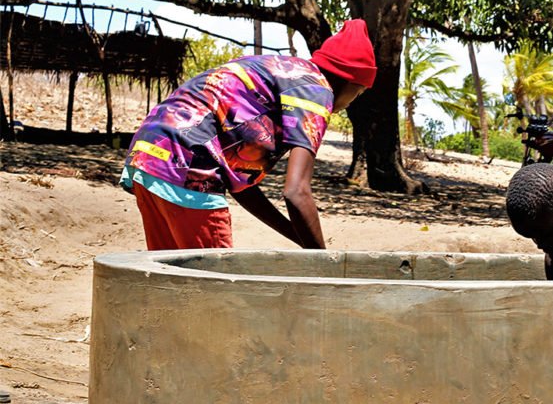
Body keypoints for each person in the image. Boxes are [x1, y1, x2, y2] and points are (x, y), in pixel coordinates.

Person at [120, 19, 376, 250]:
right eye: (360, 92)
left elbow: (242, 188)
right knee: (214, 285)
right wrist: (326, 261)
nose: (353, 101)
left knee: (173, 280)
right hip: (188, 163)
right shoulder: (317, 91)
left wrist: (299, 237)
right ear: (350, 82)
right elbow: (296, 192)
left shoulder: (285, 74)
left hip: (149, 155)